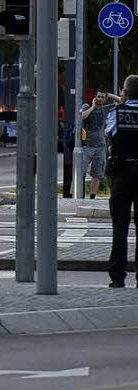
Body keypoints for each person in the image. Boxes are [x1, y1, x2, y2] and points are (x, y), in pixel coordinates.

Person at [106, 75, 138, 288]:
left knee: (120, 226)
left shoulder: (115, 113)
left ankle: (117, 277)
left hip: (121, 173)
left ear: (124, 92)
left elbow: (109, 138)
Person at [80, 89, 120, 200]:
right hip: (87, 145)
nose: (100, 99)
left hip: (101, 146)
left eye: (102, 97)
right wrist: (92, 107)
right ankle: (77, 194)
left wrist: (109, 95)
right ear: (95, 97)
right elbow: (81, 117)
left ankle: (92, 196)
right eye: (98, 96)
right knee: (80, 171)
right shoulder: (86, 107)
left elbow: (121, 101)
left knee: (97, 174)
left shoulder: (106, 108)